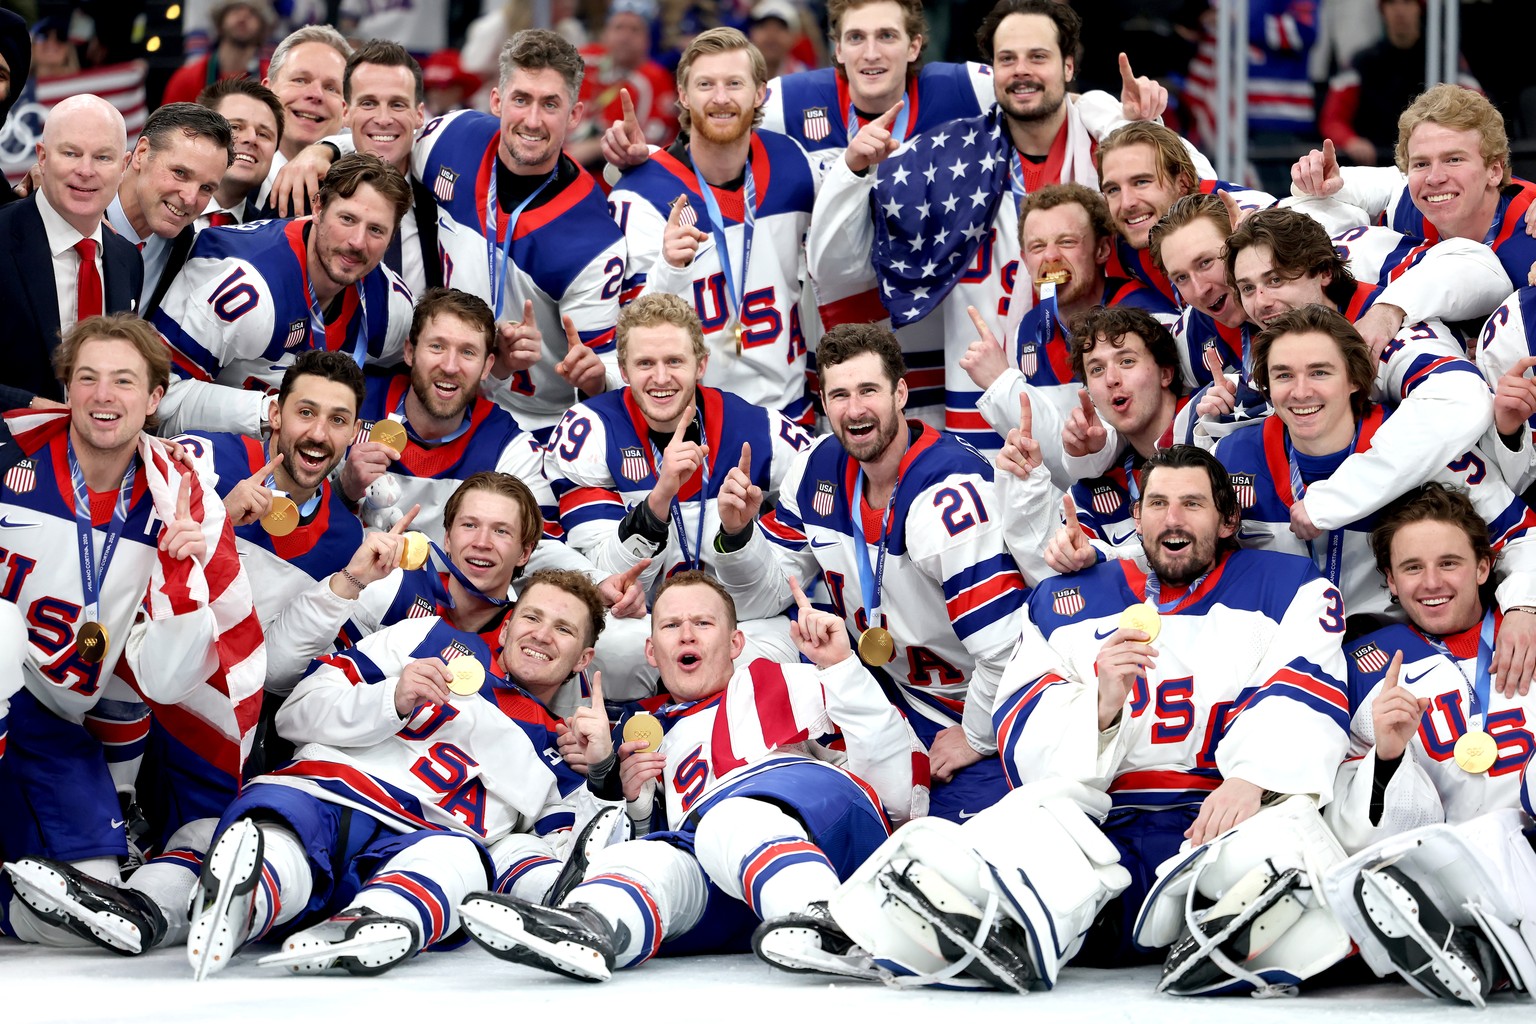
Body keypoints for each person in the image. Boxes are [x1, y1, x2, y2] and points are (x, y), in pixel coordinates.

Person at [807, 445, 1352, 990]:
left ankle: (1227, 936)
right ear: (1136, 518)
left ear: (1228, 519)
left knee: (1282, 835)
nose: (1173, 518)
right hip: (1105, 818)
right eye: (1158, 503)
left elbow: (1304, 687)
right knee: (1025, 821)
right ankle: (962, 930)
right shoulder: (1065, 599)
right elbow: (1026, 726)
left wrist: (1253, 778)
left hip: (1213, 815)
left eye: (1192, 504)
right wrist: (1102, 703)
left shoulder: (1288, 586)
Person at [456, 570, 922, 981]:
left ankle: (830, 920)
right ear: (651, 650)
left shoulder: (781, 681)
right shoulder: (637, 733)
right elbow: (613, 843)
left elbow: (897, 791)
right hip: (741, 888)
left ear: (735, 642)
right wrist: (615, 787)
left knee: (728, 819)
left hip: (833, 847)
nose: (687, 636)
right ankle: (590, 927)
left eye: (703, 623)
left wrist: (842, 668)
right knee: (647, 863)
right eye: (671, 626)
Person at [182, 569, 618, 979]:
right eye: (532, 617)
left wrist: (602, 772)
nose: (541, 634)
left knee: (464, 861)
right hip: (330, 792)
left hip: (427, 840)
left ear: (584, 659)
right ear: (505, 628)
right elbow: (293, 716)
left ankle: (375, 919)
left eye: (563, 629)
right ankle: (250, 895)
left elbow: (564, 868)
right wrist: (391, 699)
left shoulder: (565, 750)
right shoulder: (422, 637)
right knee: (283, 834)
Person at [0, 313, 261, 956]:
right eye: (87, 378)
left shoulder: (182, 495)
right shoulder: (7, 452)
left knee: (94, 901)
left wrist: (182, 585)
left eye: (123, 381)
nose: (103, 395)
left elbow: (170, 682)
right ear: (67, 389)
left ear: (154, 399)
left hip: (58, 721)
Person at [806, 0, 1165, 450]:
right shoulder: (940, 162)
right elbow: (837, 265)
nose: (1022, 71)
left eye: (1038, 57)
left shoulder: (1109, 149)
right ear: (989, 70)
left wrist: (1142, 127)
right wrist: (853, 173)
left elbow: (1184, 210)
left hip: (1101, 402)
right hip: (978, 412)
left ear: (1068, 65)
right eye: (1007, 59)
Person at [710, 323, 1027, 820]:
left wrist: (974, 734)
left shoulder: (948, 494)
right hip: (878, 679)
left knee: (959, 834)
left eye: (868, 391)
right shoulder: (817, 465)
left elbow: (1006, 647)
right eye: (839, 394)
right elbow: (763, 599)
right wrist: (738, 535)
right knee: (746, 644)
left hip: (965, 695)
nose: (854, 410)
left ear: (901, 392)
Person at [270, 29, 627, 436]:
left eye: (550, 104)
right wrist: (324, 150)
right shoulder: (452, 139)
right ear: (497, 101)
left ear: (575, 115)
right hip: (420, 387)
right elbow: (383, 138)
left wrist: (594, 376)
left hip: (534, 419)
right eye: (521, 99)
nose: (532, 120)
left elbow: (605, 375)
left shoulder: (593, 240)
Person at [1213, 305, 1536, 687]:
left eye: (1320, 372)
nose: (1301, 392)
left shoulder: (1422, 449)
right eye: (1283, 375)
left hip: (1402, 658)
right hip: (1274, 658)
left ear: (1354, 379)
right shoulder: (1231, 456)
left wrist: (1523, 607)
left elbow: (1520, 535)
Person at [543, 293, 811, 677]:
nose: (661, 378)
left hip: (734, 616)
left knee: (773, 654)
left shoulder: (755, 427)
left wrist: (743, 535)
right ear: (622, 367)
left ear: (701, 364)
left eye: (674, 361)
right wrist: (658, 500)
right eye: (645, 363)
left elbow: (822, 481)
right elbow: (610, 579)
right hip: (643, 620)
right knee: (610, 652)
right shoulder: (591, 431)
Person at [606, 28, 823, 426]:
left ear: (760, 93)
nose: (720, 98)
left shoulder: (794, 165)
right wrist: (669, 267)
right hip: (696, 426)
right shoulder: (640, 196)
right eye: (705, 84)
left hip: (792, 413)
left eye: (734, 84)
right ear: (684, 95)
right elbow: (628, 330)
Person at [1325, 483, 1536, 852]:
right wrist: (1388, 758)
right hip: (1453, 881)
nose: (1432, 582)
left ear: (1483, 566)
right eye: (1412, 568)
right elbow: (1356, 842)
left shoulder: (1526, 625)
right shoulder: (1359, 669)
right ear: (1391, 580)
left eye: (1449, 563)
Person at [151, 153, 415, 438]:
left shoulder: (390, 304)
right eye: (347, 219)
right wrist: (272, 413)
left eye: (376, 230)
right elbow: (155, 403)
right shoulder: (244, 283)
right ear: (318, 207)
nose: (357, 242)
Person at [168, 350, 373, 697]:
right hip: (143, 674)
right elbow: (126, 561)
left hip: (228, 713)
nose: (319, 434)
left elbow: (277, 672)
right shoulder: (202, 457)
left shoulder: (346, 539)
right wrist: (217, 516)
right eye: (305, 413)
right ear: (276, 414)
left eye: (338, 421)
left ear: (354, 432)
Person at [961, 182, 1175, 458]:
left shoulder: (1150, 317)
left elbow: (1099, 455)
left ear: (1101, 251)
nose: (1050, 256)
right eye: (1037, 246)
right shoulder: (1027, 331)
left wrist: (1000, 383)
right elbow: (1041, 452)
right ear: (1025, 261)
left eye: (1067, 242)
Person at [1000, 306, 1195, 578]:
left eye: (1127, 361)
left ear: (1166, 374)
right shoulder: (1094, 489)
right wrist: (1026, 481)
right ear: (1090, 392)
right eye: (1097, 369)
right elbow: (1048, 573)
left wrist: (1106, 555)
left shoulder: (1212, 429)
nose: (1112, 379)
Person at [1290, 84, 1536, 287]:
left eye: (1454, 160)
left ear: (1494, 171)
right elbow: (1329, 184)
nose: (1435, 178)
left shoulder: (1529, 228)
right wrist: (1309, 177)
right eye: (1421, 164)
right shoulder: (1405, 198)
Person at [0, 95, 141, 414]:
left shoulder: (128, 260)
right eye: (71, 153)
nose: (86, 170)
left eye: (103, 157)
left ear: (123, 167)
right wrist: (36, 409)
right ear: (43, 157)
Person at [1319, 0, 1483, 168]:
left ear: (1419, 8)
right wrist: (1350, 141)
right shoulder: (1362, 62)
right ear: (1382, 10)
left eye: (1407, 2)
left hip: (1433, 167)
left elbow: (1480, 110)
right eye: (1391, 3)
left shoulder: (1446, 63)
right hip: (1376, 169)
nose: (1399, 11)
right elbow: (1333, 119)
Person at [106, 103, 234, 317]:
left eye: (206, 188)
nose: (190, 198)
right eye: (180, 173)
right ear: (142, 153)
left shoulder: (187, 247)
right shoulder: (72, 212)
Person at [568, 0, 677, 172]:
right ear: (605, 33)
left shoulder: (655, 79)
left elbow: (649, 145)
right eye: (619, 27)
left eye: (635, 30)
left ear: (648, 40)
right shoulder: (586, 58)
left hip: (613, 175)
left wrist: (594, 147)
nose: (625, 37)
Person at [254, 25, 352, 211]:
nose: (315, 94)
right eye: (300, 80)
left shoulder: (363, 186)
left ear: (346, 110)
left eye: (331, 88)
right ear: (267, 92)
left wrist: (325, 149)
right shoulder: (225, 166)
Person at [196, 78, 285, 228]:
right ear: (198, 132)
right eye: (235, 127)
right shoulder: (157, 207)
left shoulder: (270, 234)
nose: (251, 138)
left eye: (263, 134)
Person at [161, 0, 275, 107]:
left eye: (252, 13)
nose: (243, 16)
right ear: (220, 21)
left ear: (263, 29)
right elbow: (169, 126)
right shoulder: (186, 78)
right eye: (235, 9)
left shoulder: (272, 79)